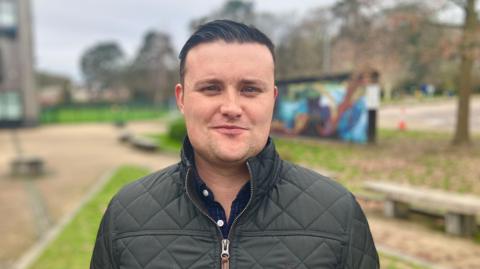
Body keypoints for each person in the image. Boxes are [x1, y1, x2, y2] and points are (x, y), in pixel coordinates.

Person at [90, 20, 379, 269]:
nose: (231, 107)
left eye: (250, 89)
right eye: (211, 88)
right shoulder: (125, 216)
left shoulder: (338, 213)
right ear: (181, 98)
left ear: (273, 99)